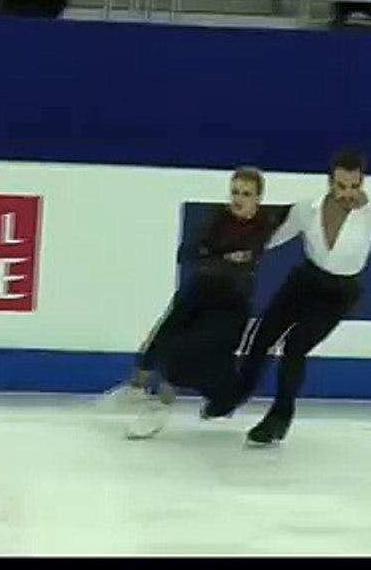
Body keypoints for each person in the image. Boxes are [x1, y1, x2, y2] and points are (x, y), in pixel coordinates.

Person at [204, 149, 371, 446]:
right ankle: (234, 397)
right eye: (342, 186)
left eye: (355, 186)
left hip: (340, 293)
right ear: (330, 183)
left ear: (362, 183)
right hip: (305, 280)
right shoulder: (306, 210)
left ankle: (278, 420)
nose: (349, 193)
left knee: (295, 347)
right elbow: (272, 238)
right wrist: (227, 254)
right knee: (262, 335)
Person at [106, 167, 286, 439]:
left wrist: (214, 254)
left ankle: (159, 409)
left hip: (230, 306)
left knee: (186, 350)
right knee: (162, 335)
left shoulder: (265, 224)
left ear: (259, 198)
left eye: (246, 194)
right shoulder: (217, 219)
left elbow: (304, 213)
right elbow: (187, 253)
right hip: (199, 291)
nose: (238, 198)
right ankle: (136, 388)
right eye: (235, 191)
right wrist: (223, 256)